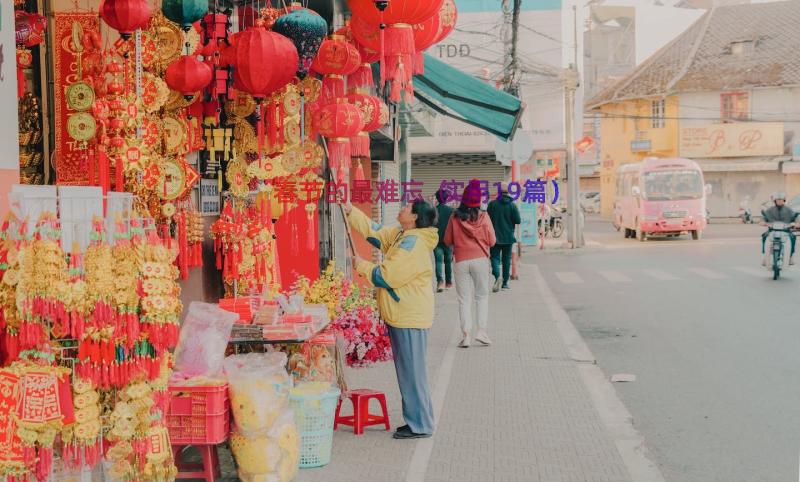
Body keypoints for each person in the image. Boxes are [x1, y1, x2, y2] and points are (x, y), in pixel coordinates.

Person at [345, 199, 439, 440]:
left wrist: (362, 266)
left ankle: (420, 424)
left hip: (409, 316)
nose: (402, 209)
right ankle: (418, 420)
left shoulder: (413, 244)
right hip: (403, 314)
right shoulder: (402, 234)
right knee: (410, 372)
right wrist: (350, 210)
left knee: (413, 373)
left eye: (407, 208)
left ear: (415, 217)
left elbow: (388, 276)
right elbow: (375, 232)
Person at [444, 179, 496, 348]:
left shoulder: (454, 217)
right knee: (481, 296)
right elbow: (492, 241)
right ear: (479, 200)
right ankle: (481, 332)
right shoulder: (484, 217)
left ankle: (466, 335)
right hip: (480, 259)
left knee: (464, 299)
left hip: (460, 261)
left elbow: (447, 240)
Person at [487, 182, 521, 292]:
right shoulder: (512, 205)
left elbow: (487, 220)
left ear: (498, 192)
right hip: (508, 237)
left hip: (494, 237)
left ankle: (497, 276)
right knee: (506, 260)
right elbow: (518, 220)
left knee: (495, 258)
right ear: (508, 191)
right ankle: (505, 283)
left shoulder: (492, 204)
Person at [761, 192, 798, 264]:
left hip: (786, 231)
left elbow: (796, 219)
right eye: (778, 200)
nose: (779, 201)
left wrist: (796, 224)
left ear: (784, 200)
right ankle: (765, 256)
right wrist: (763, 223)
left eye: (781, 200)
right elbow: (763, 219)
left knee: (793, 237)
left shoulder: (789, 210)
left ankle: (790, 256)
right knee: (764, 236)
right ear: (775, 201)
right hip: (772, 231)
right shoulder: (770, 210)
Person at [433, 189, 454, 292]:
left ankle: (440, 282)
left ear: (437, 198)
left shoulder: (433, 210)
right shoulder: (451, 210)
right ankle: (449, 283)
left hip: (436, 240)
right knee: (448, 262)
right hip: (448, 240)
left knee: (438, 261)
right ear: (447, 198)